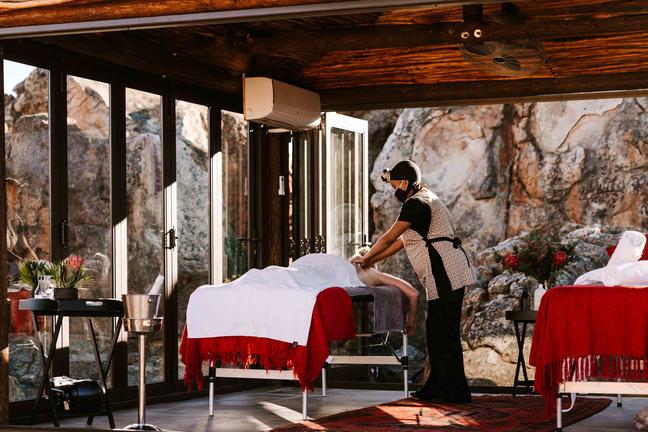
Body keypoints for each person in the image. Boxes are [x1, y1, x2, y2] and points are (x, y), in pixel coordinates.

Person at [352, 160, 476, 403]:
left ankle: (454, 392)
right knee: (437, 331)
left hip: (445, 270)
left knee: (444, 331)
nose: (393, 190)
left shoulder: (415, 203)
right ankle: (440, 388)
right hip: (446, 271)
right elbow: (400, 244)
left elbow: (389, 238)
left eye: (395, 185)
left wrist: (366, 257)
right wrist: (370, 260)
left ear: (405, 183)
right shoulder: (424, 199)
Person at [352, 247, 420, 336]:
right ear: (373, 263)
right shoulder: (372, 273)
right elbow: (414, 294)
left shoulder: (348, 267)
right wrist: (410, 324)